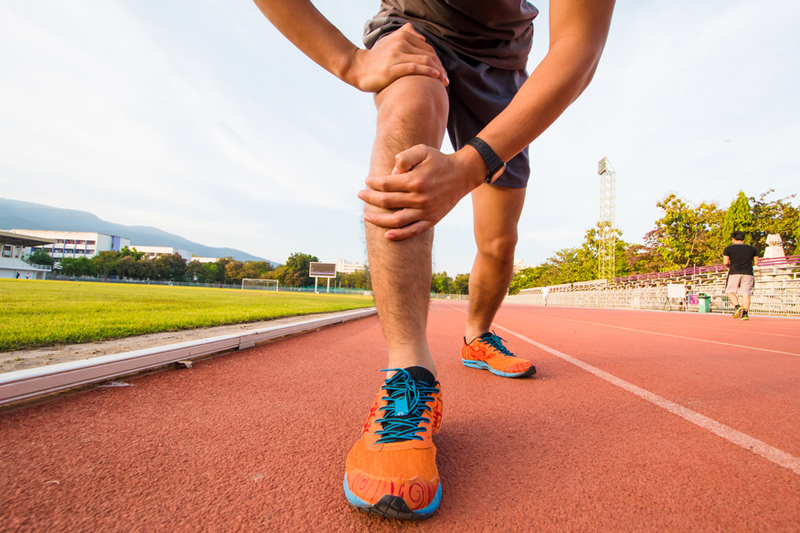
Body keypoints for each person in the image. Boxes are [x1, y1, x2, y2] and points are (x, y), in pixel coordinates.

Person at [254, 0, 615, 519]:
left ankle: (477, 336)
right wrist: (348, 62)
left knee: (499, 241)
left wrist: (472, 166)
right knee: (408, 110)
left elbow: (579, 47)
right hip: (418, 32)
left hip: (504, 68)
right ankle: (409, 373)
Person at [723, 231, 759, 321]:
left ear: (733, 239)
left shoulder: (728, 249)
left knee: (730, 291)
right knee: (746, 294)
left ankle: (738, 307)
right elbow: (756, 262)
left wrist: (729, 267)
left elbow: (725, 262)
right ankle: (745, 314)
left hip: (735, 272)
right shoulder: (752, 249)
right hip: (748, 273)